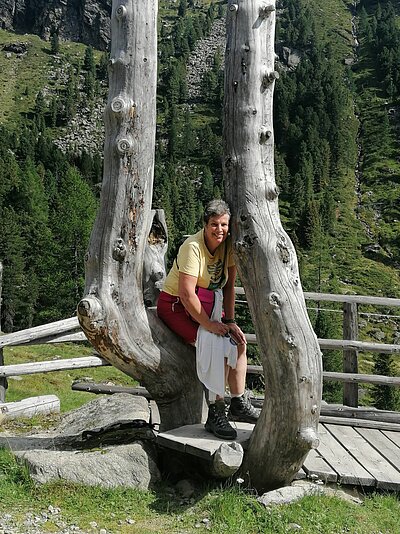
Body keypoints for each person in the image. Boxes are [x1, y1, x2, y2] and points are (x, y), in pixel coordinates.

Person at [157, 199, 259, 440]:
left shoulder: (227, 247)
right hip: (177, 307)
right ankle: (215, 410)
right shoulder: (192, 247)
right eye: (214, 224)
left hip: (210, 306)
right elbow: (186, 293)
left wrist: (230, 320)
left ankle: (238, 400)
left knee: (238, 342)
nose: (219, 230)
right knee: (215, 345)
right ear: (205, 225)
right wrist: (209, 325)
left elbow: (229, 286)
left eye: (224, 224)